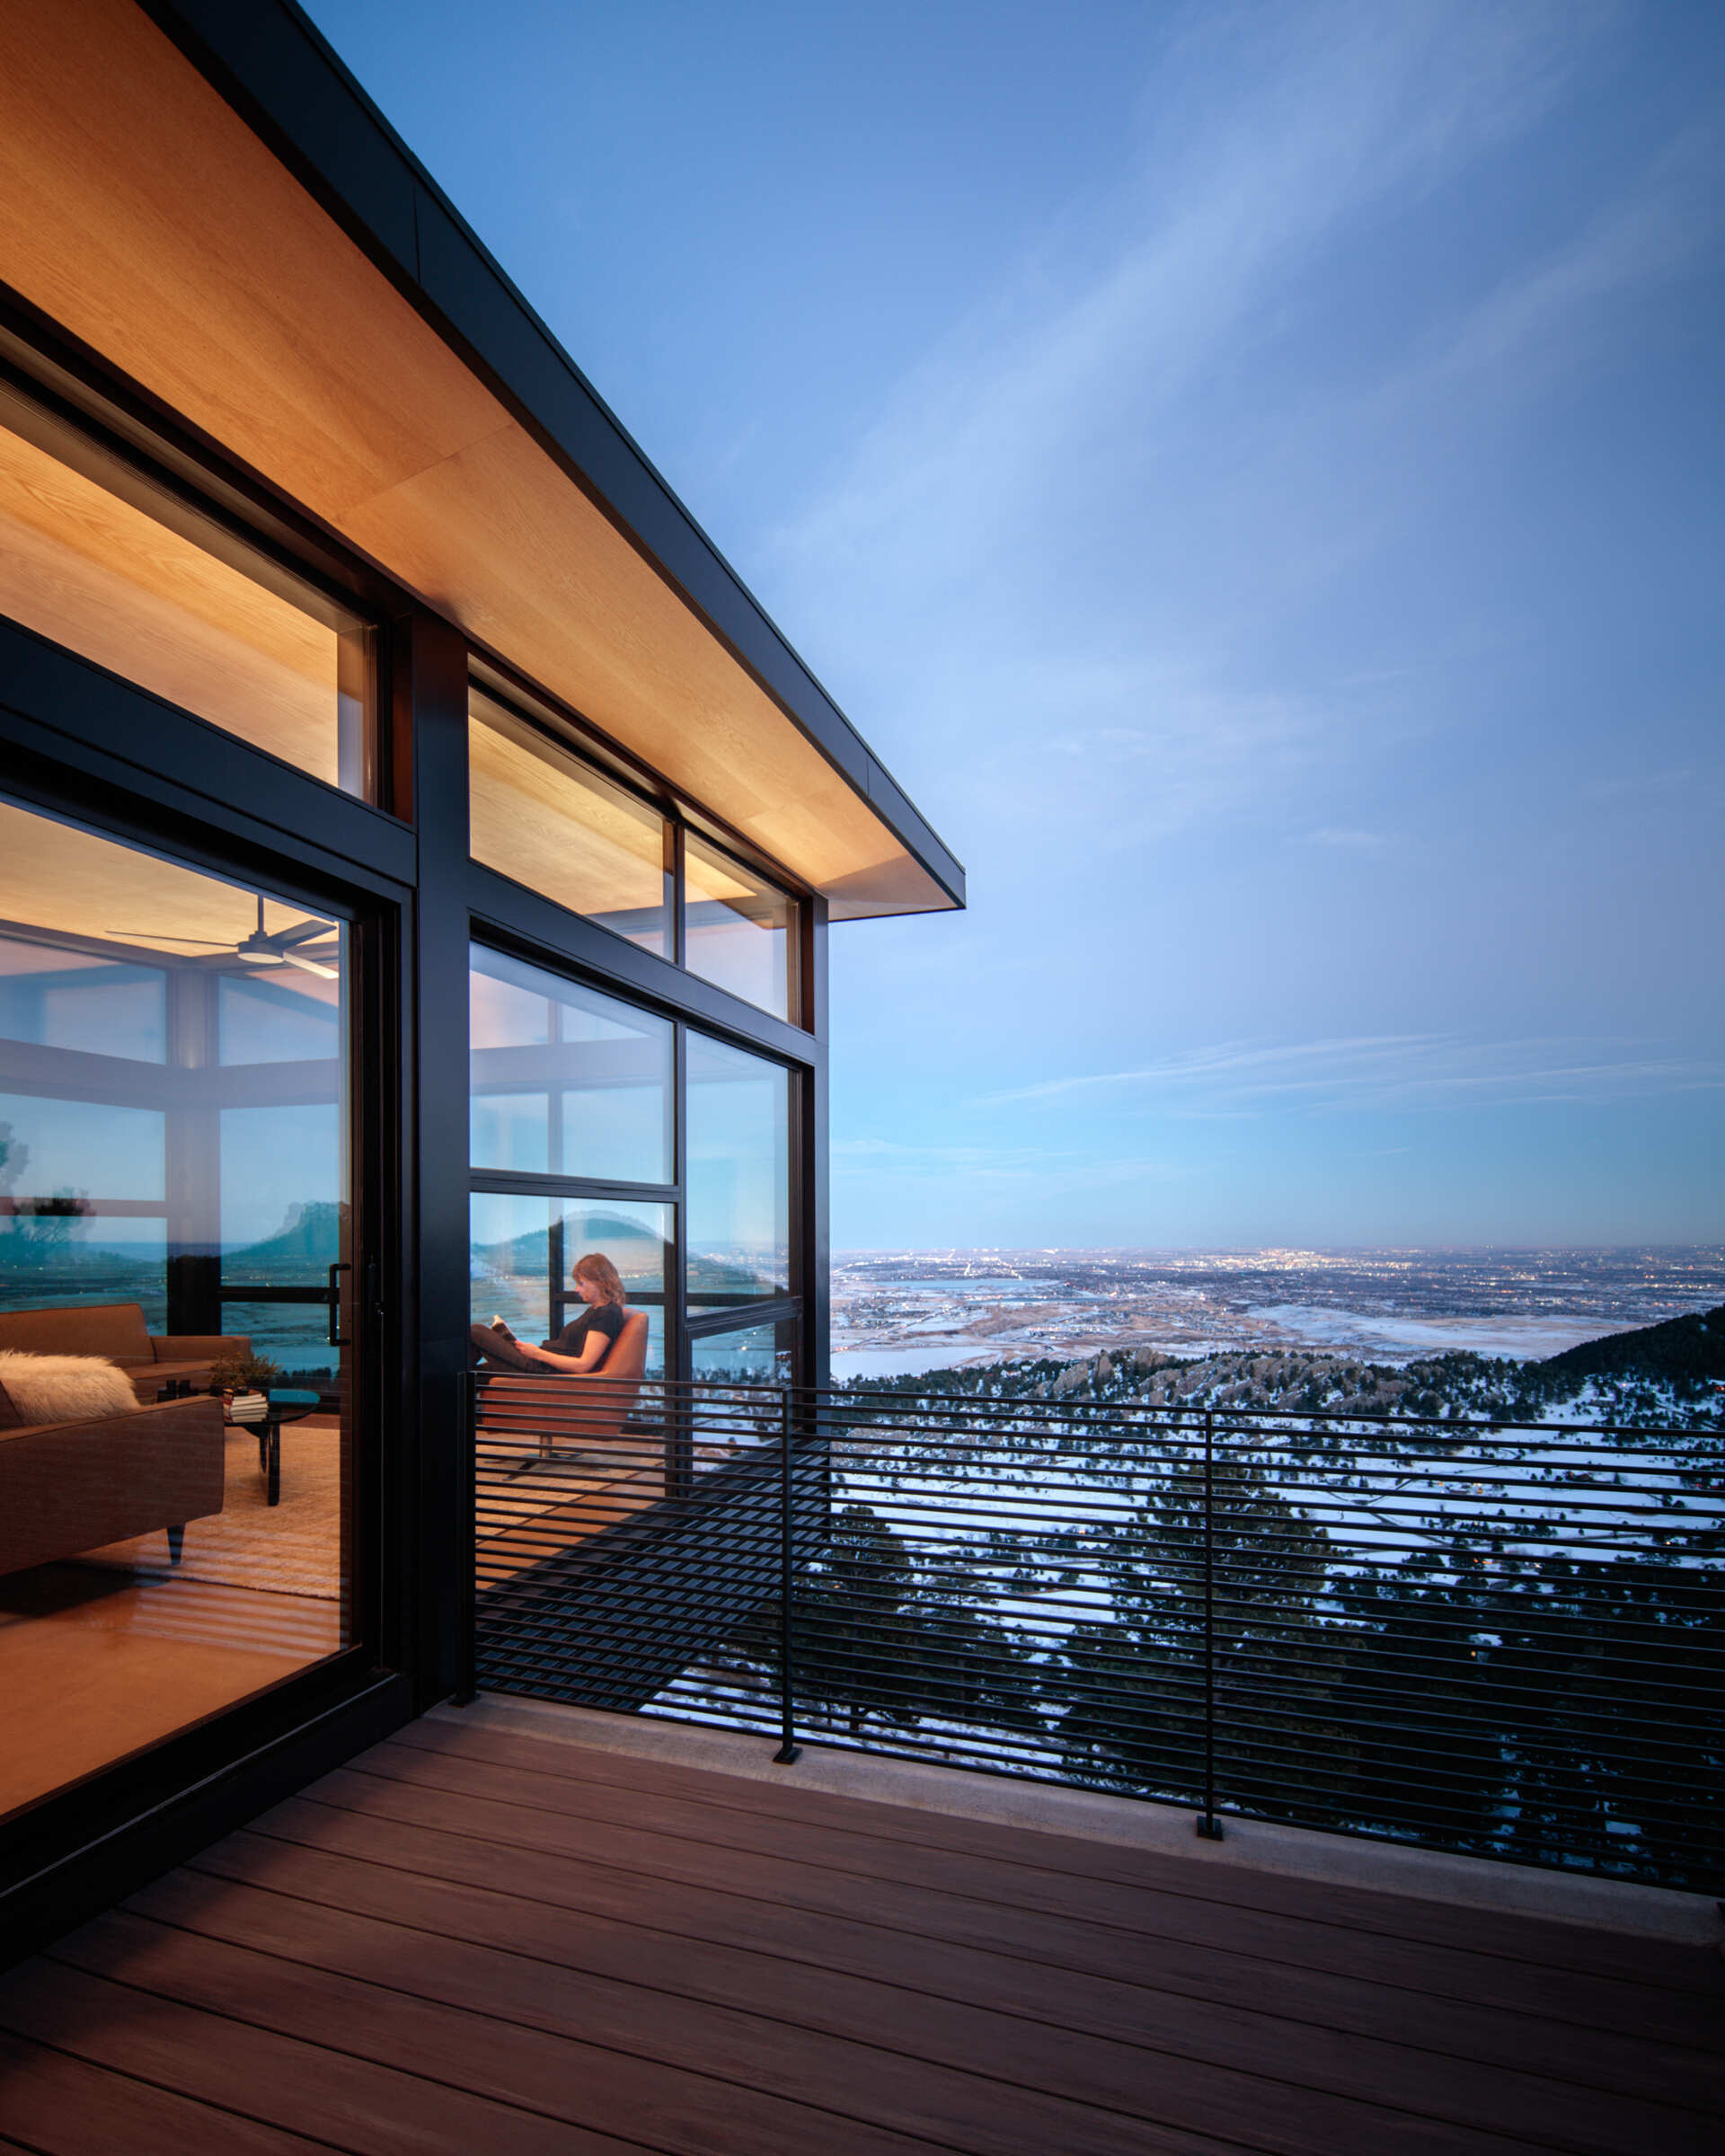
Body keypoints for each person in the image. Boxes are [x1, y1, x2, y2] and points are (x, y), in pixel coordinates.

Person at [470, 1251, 630, 1374]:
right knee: (474, 1371)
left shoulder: (606, 1314)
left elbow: (583, 1365)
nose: (577, 1289)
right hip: (538, 1362)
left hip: (541, 1368)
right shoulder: (597, 1310)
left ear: (600, 1282)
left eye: (581, 1283)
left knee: (476, 1331)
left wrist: (537, 1354)